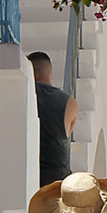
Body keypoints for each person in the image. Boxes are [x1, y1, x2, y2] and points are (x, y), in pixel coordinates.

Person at [28, 50, 78, 188]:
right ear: (50, 74)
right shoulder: (70, 103)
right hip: (58, 181)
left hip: (30, 176)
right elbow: (67, 132)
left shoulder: (25, 95)